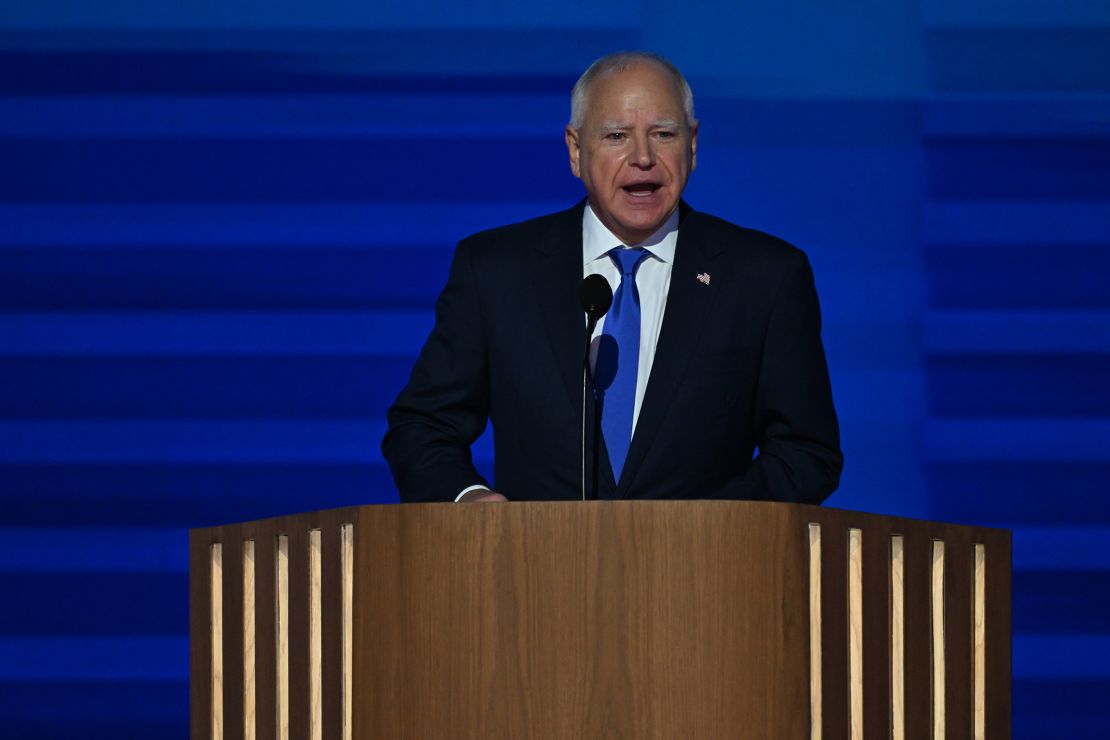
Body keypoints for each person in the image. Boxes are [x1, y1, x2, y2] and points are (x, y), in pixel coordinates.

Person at [382, 51, 842, 504]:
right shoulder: (496, 271)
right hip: (535, 571)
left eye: (663, 134)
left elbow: (805, 451)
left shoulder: (764, 276)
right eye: (617, 135)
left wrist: (712, 530)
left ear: (693, 145)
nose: (643, 157)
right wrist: (470, 502)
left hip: (703, 572)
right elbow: (423, 427)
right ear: (576, 150)